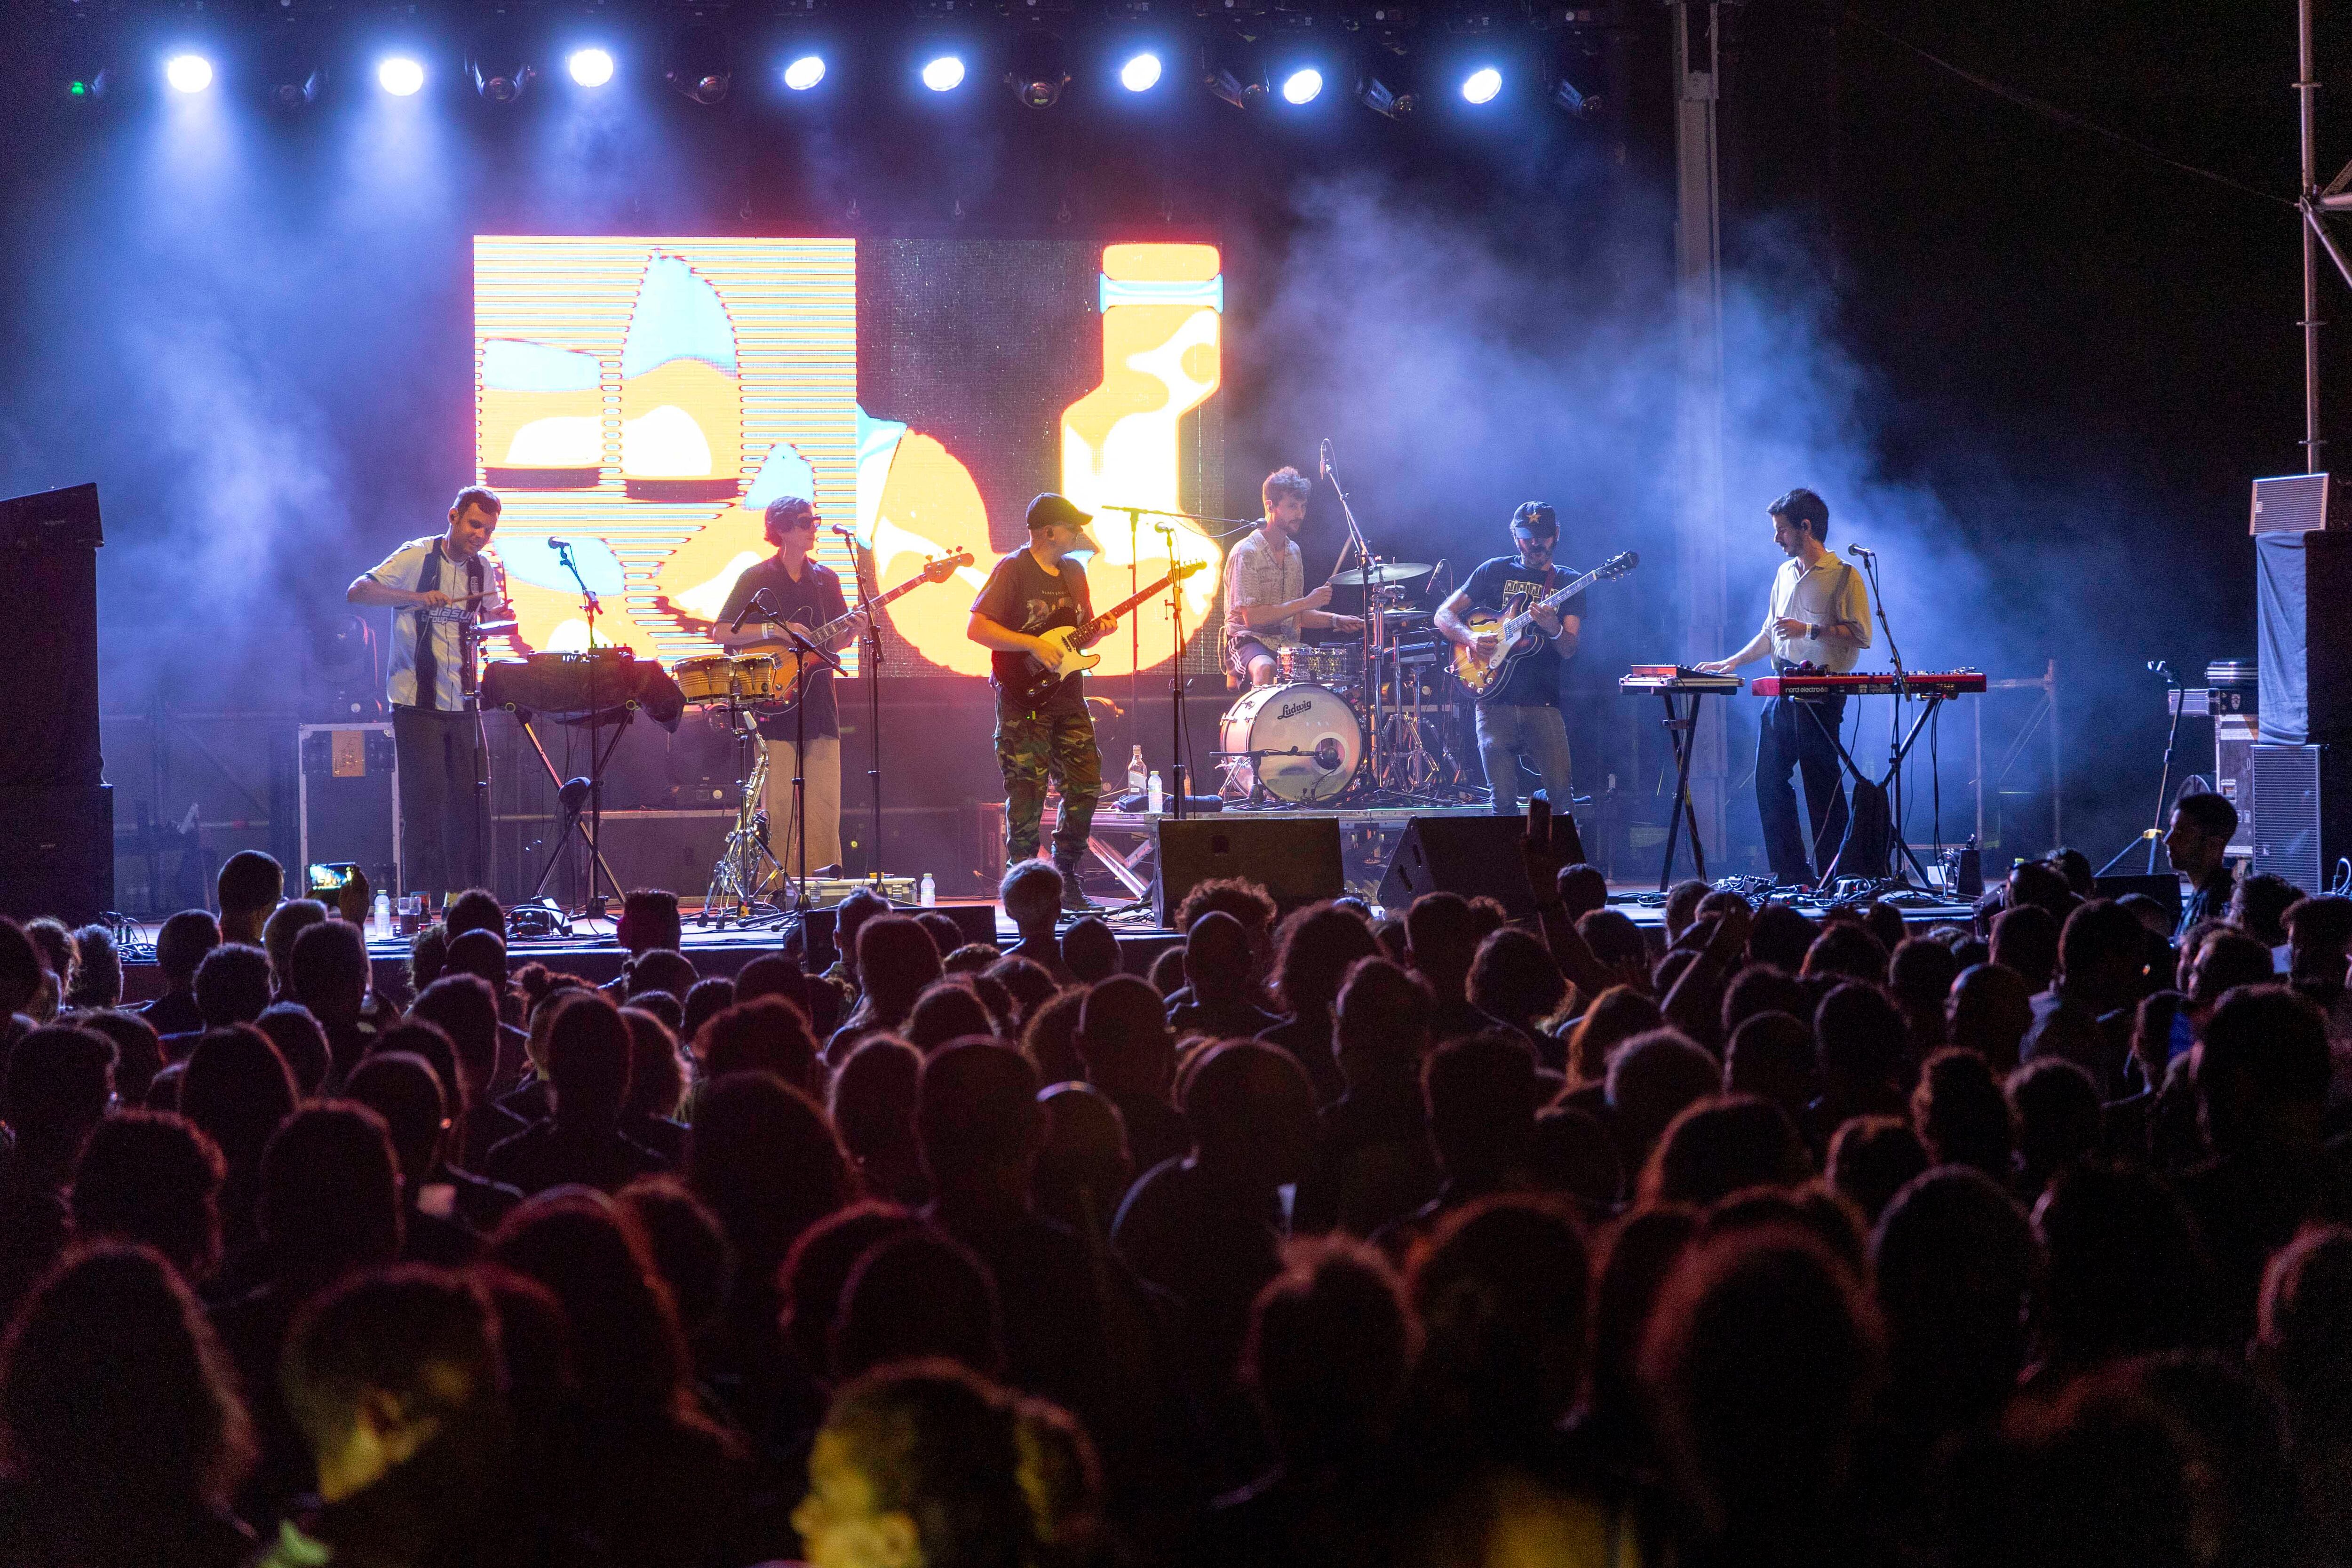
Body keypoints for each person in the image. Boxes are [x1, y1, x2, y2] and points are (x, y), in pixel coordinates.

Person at [1693, 486, 1873, 888]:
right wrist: (1731, 662)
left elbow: (1862, 636)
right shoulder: (1784, 574)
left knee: (1820, 780)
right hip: (1784, 685)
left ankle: (1837, 875)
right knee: (1768, 779)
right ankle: (1792, 873)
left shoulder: (1844, 575)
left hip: (1823, 690)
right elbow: (1770, 634)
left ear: (1805, 527)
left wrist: (1808, 628)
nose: (1776, 538)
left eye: (1782, 530)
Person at [345, 485, 511, 902]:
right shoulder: (416, 555)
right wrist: (417, 598)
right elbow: (358, 591)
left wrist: (502, 617)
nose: (480, 535)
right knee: (424, 809)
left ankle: (467, 901)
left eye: (488, 530)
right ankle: (418, 905)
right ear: (453, 515)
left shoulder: (482, 571)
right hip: (417, 705)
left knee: (474, 808)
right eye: (475, 524)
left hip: (465, 703)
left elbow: (491, 618)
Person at [712, 495, 867, 879]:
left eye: (814, 520)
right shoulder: (756, 577)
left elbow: (834, 644)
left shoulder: (825, 579)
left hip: (819, 705)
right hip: (774, 704)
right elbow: (721, 631)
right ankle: (774, 886)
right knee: (778, 806)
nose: (813, 526)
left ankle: (821, 888)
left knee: (824, 807)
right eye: (804, 521)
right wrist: (776, 630)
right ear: (781, 529)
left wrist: (853, 632)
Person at [967, 493, 1106, 910]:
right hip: (1022, 701)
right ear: (1048, 532)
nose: (1079, 533)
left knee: (1086, 786)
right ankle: (1025, 890)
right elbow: (977, 628)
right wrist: (1031, 644)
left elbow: (1083, 633)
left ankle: (1065, 877)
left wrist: (1101, 631)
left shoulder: (1075, 572)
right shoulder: (1012, 569)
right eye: (1072, 526)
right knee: (1027, 794)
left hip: (1068, 697)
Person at [1434, 501, 1584, 816]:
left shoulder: (1569, 582)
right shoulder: (1494, 570)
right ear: (1515, 536)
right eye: (1528, 536)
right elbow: (1444, 614)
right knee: (1502, 802)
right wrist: (1471, 637)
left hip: (1542, 704)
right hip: (1492, 702)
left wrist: (1553, 627)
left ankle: (1554, 862)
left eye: (1543, 535)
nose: (1536, 543)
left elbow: (1569, 648)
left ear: (1556, 535)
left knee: (1561, 800)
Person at [1222, 465, 1363, 687]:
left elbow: (1295, 616)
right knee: (1266, 667)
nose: (1300, 514)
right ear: (1270, 506)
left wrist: (1336, 620)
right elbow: (1253, 618)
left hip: (1285, 644)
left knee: (1334, 671)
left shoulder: (1294, 552)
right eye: (1292, 506)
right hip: (1247, 641)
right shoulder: (1247, 552)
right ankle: (1263, 722)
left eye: (1303, 506)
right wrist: (1307, 602)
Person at [2165, 790, 2240, 939]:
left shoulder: (2218, 904)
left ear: (2214, 844)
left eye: (2180, 833)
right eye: (2171, 830)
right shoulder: (2201, 894)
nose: (2168, 840)